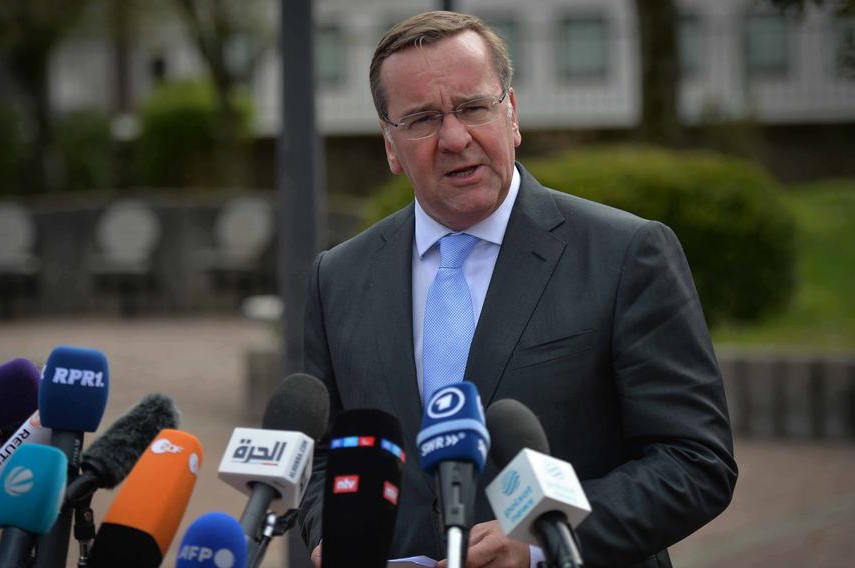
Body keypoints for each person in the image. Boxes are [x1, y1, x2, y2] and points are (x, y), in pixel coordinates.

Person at [298, 11, 736, 568]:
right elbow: (321, 456)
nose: (455, 138)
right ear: (390, 145)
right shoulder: (337, 276)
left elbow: (694, 461)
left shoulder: (627, 255)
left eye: (474, 108)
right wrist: (330, 535)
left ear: (512, 113)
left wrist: (542, 540)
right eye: (423, 119)